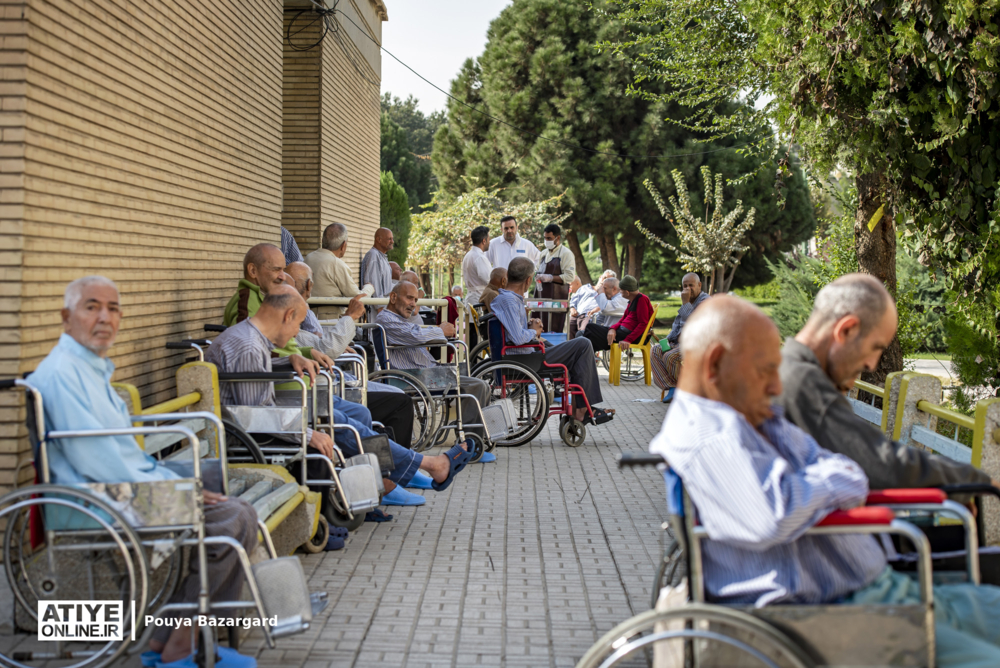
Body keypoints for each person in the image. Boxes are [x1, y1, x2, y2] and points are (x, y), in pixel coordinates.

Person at [31, 276, 259, 667]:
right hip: (95, 499)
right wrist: (175, 486)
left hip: (122, 489)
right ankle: (179, 645)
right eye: (92, 307)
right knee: (230, 520)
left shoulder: (91, 369)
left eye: (113, 308)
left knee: (238, 510)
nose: (105, 317)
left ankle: (165, 638)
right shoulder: (62, 374)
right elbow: (95, 459)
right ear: (66, 317)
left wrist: (177, 482)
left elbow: (121, 456)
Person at [206, 286, 473, 508]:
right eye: (298, 324)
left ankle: (374, 487)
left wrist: (290, 360)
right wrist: (309, 435)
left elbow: (252, 380)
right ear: (288, 315)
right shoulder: (249, 346)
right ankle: (426, 465)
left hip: (251, 419)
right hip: (246, 432)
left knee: (354, 415)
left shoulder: (250, 338)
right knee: (339, 423)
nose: (297, 333)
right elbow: (257, 415)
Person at [778, 274, 997, 491]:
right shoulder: (804, 382)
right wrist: (977, 483)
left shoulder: (786, 370)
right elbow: (881, 464)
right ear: (846, 330)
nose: (872, 365)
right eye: (875, 347)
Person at [285, 262, 415, 448]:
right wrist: (349, 317)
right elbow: (324, 347)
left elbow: (317, 343)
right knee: (395, 403)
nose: (412, 303)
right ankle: (398, 465)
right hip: (319, 390)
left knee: (394, 398)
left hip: (330, 383)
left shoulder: (291, 322)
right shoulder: (274, 332)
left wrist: (315, 346)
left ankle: (397, 462)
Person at [491, 257, 614, 425]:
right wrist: (532, 332)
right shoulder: (509, 301)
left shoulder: (509, 299)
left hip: (524, 356)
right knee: (583, 344)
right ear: (528, 280)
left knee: (577, 349)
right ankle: (582, 410)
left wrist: (529, 327)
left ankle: (582, 407)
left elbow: (514, 331)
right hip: (524, 361)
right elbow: (518, 338)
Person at [376, 282, 495, 453]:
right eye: (409, 298)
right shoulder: (386, 319)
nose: (413, 304)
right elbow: (414, 335)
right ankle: (469, 444)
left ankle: (474, 437)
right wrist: (439, 330)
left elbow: (415, 335)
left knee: (480, 384)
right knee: (476, 386)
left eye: (416, 300)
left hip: (425, 372)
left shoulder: (401, 320)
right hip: (411, 377)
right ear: (393, 297)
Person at [651, 273, 709, 402]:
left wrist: (685, 303)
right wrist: (667, 340)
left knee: (670, 356)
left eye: (691, 286)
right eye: (685, 286)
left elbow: (693, 322)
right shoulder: (688, 301)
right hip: (680, 343)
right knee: (655, 351)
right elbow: (677, 325)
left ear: (699, 285)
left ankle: (686, 389)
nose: (688, 289)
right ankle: (673, 387)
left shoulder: (705, 302)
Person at [304, 223, 368, 319]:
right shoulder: (336, 264)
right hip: (331, 322)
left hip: (307, 318)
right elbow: (358, 297)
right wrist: (369, 288)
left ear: (323, 241)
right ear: (343, 245)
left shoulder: (308, 258)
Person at [578, 275, 653, 353]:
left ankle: (584, 357)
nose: (619, 292)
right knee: (589, 333)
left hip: (628, 336)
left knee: (590, 331)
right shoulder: (631, 301)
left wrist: (628, 340)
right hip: (621, 332)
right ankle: (585, 356)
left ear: (627, 292)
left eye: (621, 290)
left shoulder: (642, 299)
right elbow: (622, 320)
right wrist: (612, 328)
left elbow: (643, 323)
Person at [534, 223, 576, 332]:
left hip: (557, 300)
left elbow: (570, 276)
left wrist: (550, 278)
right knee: (538, 329)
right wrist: (537, 276)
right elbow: (537, 270)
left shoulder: (566, 254)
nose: (546, 240)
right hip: (541, 298)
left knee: (555, 329)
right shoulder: (543, 254)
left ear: (558, 238)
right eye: (545, 238)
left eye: (549, 238)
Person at [568, 270, 615, 338]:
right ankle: (571, 348)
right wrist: (572, 309)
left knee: (584, 331)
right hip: (577, 314)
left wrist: (598, 308)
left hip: (590, 316)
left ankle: (582, 347)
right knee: (568, 328)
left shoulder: (608, 295)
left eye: (608, 280)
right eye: (604, 278)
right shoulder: (585, 288)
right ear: (600, 277)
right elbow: (573, 301)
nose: (605, 281)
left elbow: (607, 305)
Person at [360, 228, 394, 319]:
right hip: (378, 311)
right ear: (379, 240)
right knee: (377, 333)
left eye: (392, 239)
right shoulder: (373, 256)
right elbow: (373, 284)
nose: (392, 241)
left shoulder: (381, 256)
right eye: (389, 239)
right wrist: (380, 308)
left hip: (384, 308)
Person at [462, 225, 493, 305]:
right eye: (489, 239)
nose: (489, 242)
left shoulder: (468, 255)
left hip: (471, 296)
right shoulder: (480, 257)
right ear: (484, 241)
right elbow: (489, 279)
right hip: (479, 297)